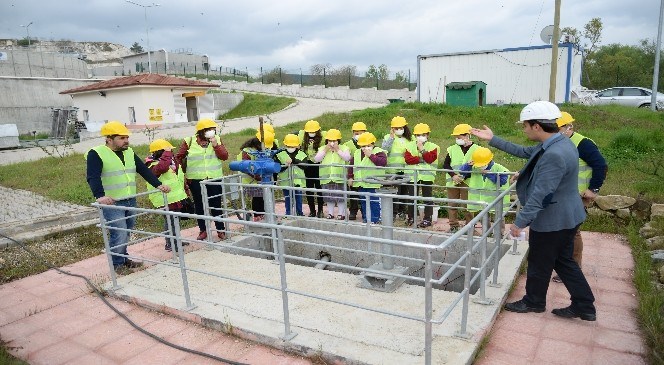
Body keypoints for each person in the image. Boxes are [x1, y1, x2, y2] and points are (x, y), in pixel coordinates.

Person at [471, 100, 596, 321]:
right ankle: (584, 305)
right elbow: (524, 152)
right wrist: (493, 139)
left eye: (525, 125)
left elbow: (542, 194)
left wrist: (520, 222)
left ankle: (534, 302)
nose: (524, 129)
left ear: (536, 126)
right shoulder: (558, 143)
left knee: (539, 262)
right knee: (564, 261)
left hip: (553, 219)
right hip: (568, 215)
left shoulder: (554, 153)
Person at [85, 121, 170, 272]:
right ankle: (117, 265)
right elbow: (93, 176)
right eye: (121, 138)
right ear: (109, 139)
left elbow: (143, 170)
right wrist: (99, 196)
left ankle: (123, 258)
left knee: (127, 230)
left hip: (130, 199)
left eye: (127, 138)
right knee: (119, 232)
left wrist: (158, 184)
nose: (126, 141)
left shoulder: (129, 152)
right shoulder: (96, 153)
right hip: (112, 202)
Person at [551, 111, 608, 282]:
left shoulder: (583, 144)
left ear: (569, 127)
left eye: (558, 128)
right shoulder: (556, 142)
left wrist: (593, 189)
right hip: (562, 194)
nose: (555, 131)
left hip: (577, 196)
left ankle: (572, 268)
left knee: (572, 232)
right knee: (563, 231)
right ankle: (565, 265)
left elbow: (601, 165)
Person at [175, 118, 229, 241]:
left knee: (216, 204)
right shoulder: (189, 141)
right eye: (209, 130)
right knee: (199, 205)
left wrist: (215, 145)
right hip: (195, 180)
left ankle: (220, 229)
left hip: (214, 178)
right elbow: (178, 157)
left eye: (213, 129)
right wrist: (181, 174)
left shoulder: (217, 140)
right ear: (201, 131)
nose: (212, 131)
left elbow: (224, 156)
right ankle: (203, 230)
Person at [145, 139, 190, 252]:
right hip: (164, 199)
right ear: (161, 152)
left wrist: (185, 192)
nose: (171, 154)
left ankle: (176, 241)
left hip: (175, 198)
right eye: (168, 152)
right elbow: (162, 168)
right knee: (170, 222)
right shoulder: (152, 165)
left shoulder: (170, 163)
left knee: (175, 221)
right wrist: (167, 154)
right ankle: (170, 244)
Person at [458, 146, 510, 233]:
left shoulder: (499, 168)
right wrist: (467, 165)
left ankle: (499, 234)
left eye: (482, 164)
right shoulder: (474, 167)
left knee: (499, 218)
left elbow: (503, 181)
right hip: (482, 200)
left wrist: (490, 174)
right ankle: (487, 233)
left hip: (496, 200)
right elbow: (462, 172)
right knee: (484, 218)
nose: (480, 167)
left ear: (489, 160)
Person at [443, 124, 480, 233]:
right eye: (456, 137)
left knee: (467, 206)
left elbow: (478, 165)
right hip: (453, 181)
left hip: (468, 182)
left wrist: (463, 176)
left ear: (467, 136)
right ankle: (453, 226)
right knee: (452, 205)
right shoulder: (452, 149)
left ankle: (470, 227)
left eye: (459, 137)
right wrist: (453, 175)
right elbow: (446, 165)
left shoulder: (476, 149)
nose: (457, 139)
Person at [403, 123, 440, 228]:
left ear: (428, 135)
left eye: (423, 134)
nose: (420, 137)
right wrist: (421, 159)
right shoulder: (409, 145)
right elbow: (408, 159)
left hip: (427, 176)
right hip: (412, 176)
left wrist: (422, 150)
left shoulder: (434, 146)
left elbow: (430, 159)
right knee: (412, 198)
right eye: (418, 135)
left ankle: (427, 219)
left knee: (427, 198)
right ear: (414, 136)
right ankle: (411, 217)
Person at [348, 132, 387, 224]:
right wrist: (350, 177)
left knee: (374, 202)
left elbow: (382, 162)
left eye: (368, 145)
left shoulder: (379, 152)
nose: (365, 148)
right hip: (361, 183)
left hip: (374, 183)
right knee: (364, 202)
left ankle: (375, 219)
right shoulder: (357, 153)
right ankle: (367, 218)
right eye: (363, 146)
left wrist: (370, 155)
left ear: (373, 144)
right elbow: (351, 166)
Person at [238, 130, 276, 221]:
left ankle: (263, 214)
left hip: (260, 179)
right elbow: (247, 167)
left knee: (263, 197)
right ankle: (257, 215)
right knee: (257, 198)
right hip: (250, 180)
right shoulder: (247, 152)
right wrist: (258, 176)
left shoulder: (258, 150)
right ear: (259, 144)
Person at [315, 129, 352, 219]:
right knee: (329, 197)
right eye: (330, 140)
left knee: (341, 197)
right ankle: (330, 213)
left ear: (338, 141)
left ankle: (341, 214)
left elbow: (347, 158)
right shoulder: (322, 148)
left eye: (334, 141)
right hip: (326, 178)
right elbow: (317, 159)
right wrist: (325, 150)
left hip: (339, 178)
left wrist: (337, 150)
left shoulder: (344, 148)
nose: (332, 142)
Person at [382, 116, 413, 220]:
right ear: (392, 129)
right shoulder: (388, 137)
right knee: (395, 192)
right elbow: (385, 149)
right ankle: (393, 213)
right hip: (392, 171)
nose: (399, 130)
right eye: (396, 128)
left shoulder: (410, 139)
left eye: (401, 128)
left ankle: (402, 211)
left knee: (404, 192)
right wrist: (391, 137)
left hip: (405, 171)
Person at [299, 120, 325, 217]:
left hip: (319, 165)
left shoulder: (322, 138)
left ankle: (320, 210)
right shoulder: (302, 137)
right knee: (309, 189)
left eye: (313, 131)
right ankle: (312, 210)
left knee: (319, 188)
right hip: (307, 165)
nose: (311, 133)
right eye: (309, 132)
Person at [275, 134, 306, 216]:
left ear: (297, 146)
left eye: (293, 146)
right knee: (288, 198)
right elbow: (278, 168)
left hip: (298, 181)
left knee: (298, 198)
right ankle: (288, 213)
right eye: (289, 146)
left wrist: (294, 161)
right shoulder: (280, 154)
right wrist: (285, 165)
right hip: (286, 181)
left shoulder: (302, 154)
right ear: (285, 145)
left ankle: (299, 212)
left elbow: (305, 165)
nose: (291, 148)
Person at [342, 122, 367, 221]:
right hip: (353, 174)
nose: (358, 135)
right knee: (353, 194)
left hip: (364, 175)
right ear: (353, 133)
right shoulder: (347, 145)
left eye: (361, 133)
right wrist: (350, 176)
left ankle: (364, 212)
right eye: (356, 133)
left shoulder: (368, 143)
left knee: (364, 195)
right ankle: (353, 211)